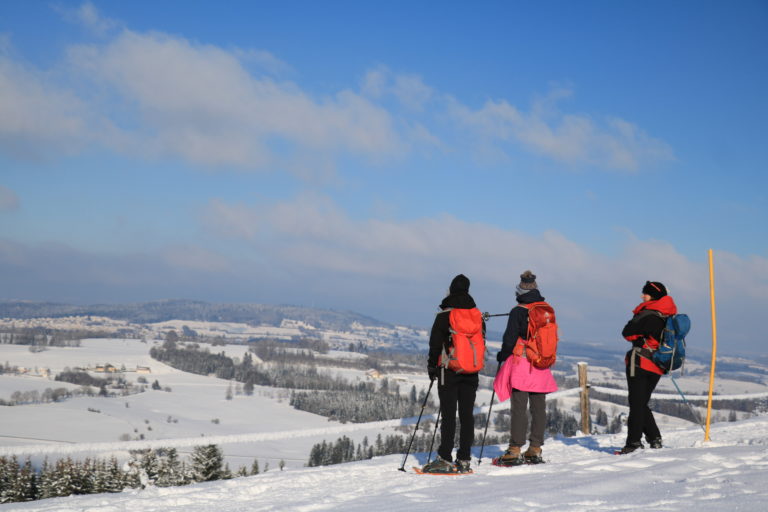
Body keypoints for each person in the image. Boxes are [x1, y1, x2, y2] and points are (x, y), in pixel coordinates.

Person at [495, 270, 558, 465]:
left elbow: (509, 339)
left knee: (519, 409)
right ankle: (535, 449)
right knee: (539, 408)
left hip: (522, 363)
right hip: (542, 363)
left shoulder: (519, 311)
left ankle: (515, 449)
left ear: (519, 291)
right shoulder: (547, 309)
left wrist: (501, 356)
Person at [423, 274, 483, 473]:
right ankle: (464, 459)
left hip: (447, 370)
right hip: (471, 371)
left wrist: (432, 367)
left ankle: (445, 458)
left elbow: (435, 344)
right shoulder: (477, 316)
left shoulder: (444, 315)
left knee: (448, 415)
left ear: (451, 290)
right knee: (467, 416)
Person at [619, 280, 677, 454]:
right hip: (658, 364)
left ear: (653, 295)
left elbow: (627, 333)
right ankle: (654, 438)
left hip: (641, 362)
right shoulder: (668, 315)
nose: (642, 296)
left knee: (636, 404)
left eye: (645, 293)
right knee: (641, 402)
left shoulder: (647, 314)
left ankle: (633, 443)